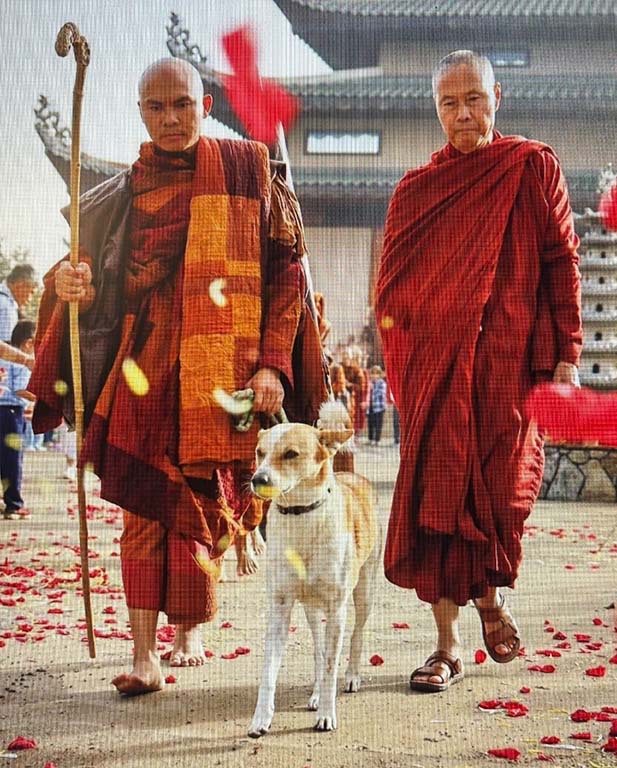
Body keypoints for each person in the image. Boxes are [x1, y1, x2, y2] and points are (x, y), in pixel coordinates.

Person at [30, 58, 328, 696]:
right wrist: (71, 283)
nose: (170, 119)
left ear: (206, 104)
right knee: (142, 498)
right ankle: (143, 656)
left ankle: (188, 627)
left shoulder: (249, 173)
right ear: (140, 112)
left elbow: (287, 280)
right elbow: (86, 268)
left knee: (202, 500)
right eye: (156, 107)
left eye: (182, 106)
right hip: (142, 366)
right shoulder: (121, 192)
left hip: (223, 367)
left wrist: (275, 361)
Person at [375, 50, 582, 692]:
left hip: (510, 367)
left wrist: (568, 357)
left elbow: (561, 262)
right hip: (438, 372)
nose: (463, 113)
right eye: (448, 103)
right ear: (435, 109)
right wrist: (414, 354)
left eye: (474, 99)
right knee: (440, 499)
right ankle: (447, 645)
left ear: (499, 96)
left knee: (499, 496)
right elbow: (391, 290)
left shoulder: (531, 167)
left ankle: (489, 598)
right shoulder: (416, 189)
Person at [0, 320, 36, 519]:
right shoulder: (22, 360)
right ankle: (14, 504)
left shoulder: (4, 355)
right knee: (13, 461)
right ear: (28, 343)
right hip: (11, 413)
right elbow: (21, 389)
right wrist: (41, 400)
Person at [0, 265, 36, 343]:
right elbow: (5, 350)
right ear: (20, 285)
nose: (29, 299)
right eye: (31, 292)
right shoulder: (7, 307)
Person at [366, 365, 387, 445]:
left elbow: (381, 393)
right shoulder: (369, 382)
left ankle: (377, 440)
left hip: (379, 407)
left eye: (376, 374)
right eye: (372, 374)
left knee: (378, 424)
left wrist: (373, 388)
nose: (374, 376)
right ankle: (370, 438)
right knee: (370, 423)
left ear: (379, 375)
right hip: (371, 406)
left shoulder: (382, 383)